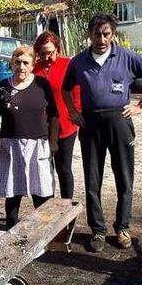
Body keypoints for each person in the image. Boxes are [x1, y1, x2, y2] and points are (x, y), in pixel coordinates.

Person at [62, 13, 142, 252]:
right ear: (90, 34)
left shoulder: (127, 57)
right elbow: (66, 89)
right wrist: (74, 113)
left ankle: (123, 228)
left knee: (124, 178)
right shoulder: (78, 62)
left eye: (106, 33)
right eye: (97, 34)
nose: (101, 38)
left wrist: (141, 106)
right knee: (92, 180)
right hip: (90, 125)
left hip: (120, 121)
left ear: (113, 34)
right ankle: (97, 231)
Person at [0, 45, 59, 229]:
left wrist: (52, 143)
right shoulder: (2, 87)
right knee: (13, 192)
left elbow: (54, 115)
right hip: (10, 145)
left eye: (26, 63)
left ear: (33, 64)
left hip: (38, 145)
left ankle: (45, 230)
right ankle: (10, 228)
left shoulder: (41, 85)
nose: (21, 66)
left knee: (41, 191)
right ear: (12, 63)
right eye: (17, 62)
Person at [33, 31, 81, 199]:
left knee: (64, 168)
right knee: (44, 169)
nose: (48, 57)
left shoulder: (68, 65)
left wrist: (75, 114)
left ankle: (66, 208)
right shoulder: (33, 68)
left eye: (51, 52)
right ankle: (47, 207)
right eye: (43, 53)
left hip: (65, 126)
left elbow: (77, 94)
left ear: (57, 49)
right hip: (41, 127)